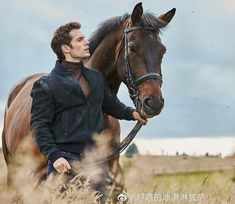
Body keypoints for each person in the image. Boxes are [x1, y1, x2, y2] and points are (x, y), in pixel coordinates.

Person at [30, 22, 147, 200]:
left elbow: (110, 104)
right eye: (80, 39)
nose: (87, 42)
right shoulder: (46, 85)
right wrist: (54, 156)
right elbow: (39, 125)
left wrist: (131, 113)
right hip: (64, 164)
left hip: (97, 163)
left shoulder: (95, 78)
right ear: (66, 48)